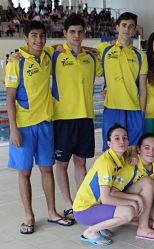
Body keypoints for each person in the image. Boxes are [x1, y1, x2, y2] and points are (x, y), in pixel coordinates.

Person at [5, 20, 73, 235]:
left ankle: (52, 212)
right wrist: (13, 129)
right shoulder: (16, 62)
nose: (39, 40)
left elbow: (72, 44)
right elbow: (9, 98)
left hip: (45, 124)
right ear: (25, 38)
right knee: (24, 172)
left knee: (46, 169)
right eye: (34, 36)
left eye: (42, 36)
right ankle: (29, 216)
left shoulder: (47, 56)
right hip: (24, 127)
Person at [52, 13, 101, 222]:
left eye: (80, 32)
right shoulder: (54, 55)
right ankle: (68, 205)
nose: (76, 35)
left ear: (84, 33)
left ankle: (81, 203)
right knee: (61, 163)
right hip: (63, 118)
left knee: (81, 162)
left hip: (85, 117)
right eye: (72, 32)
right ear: (64, 33)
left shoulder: (91, 57)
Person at [72, 124, 146, 245]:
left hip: (96, 206)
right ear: (109, 143)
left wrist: (132, 154)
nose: (122, 141)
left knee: (130, 208)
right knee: (129, 212)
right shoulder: (106, 162)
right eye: (116, 138)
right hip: (84, 210)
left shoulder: (120, 154)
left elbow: (134, 148)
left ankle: (100, 226)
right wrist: (133, 201)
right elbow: (106, 199)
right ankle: (90, 231)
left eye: (125, 138)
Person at [97, 12, 147, 151]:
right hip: (112, 107)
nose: (127, 29)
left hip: (134, 109)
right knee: (111, 151)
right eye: (124, 25)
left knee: (132, 151)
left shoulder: (140, 55)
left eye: (131, 26)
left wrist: (141, 112)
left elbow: (143, 87)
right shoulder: (104, 49)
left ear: (134, 30)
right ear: (117, 27)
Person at [111, 133, 154, 240]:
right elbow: (113, 192)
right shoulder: (131, 164)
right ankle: (142, 228)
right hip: (125, 203)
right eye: (146, 148)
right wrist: (136, 198)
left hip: (144, 204)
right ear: (139, 150)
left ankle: (124, 222)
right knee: (147, 182)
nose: (151, 152)